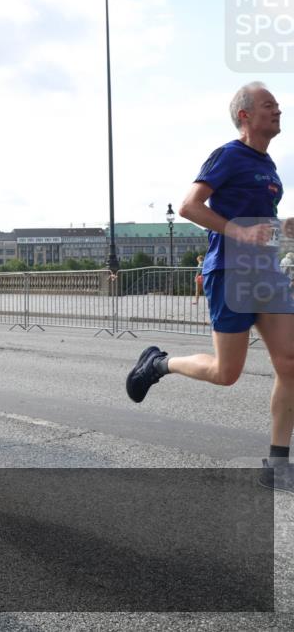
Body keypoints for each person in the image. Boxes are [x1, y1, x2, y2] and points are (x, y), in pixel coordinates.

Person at [126, 82, 294, 493]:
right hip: (231, 273)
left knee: (291, 363)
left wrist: (283, 228)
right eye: (269, 106)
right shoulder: (229, 155)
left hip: (266, 273)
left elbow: (260, 223)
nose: (279, 111)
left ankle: (277, 462)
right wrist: (237, 229)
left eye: (278, 106)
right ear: (245, 115)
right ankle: (158, 364)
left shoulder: (269, 166)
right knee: (226, 373)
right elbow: (189, 206)